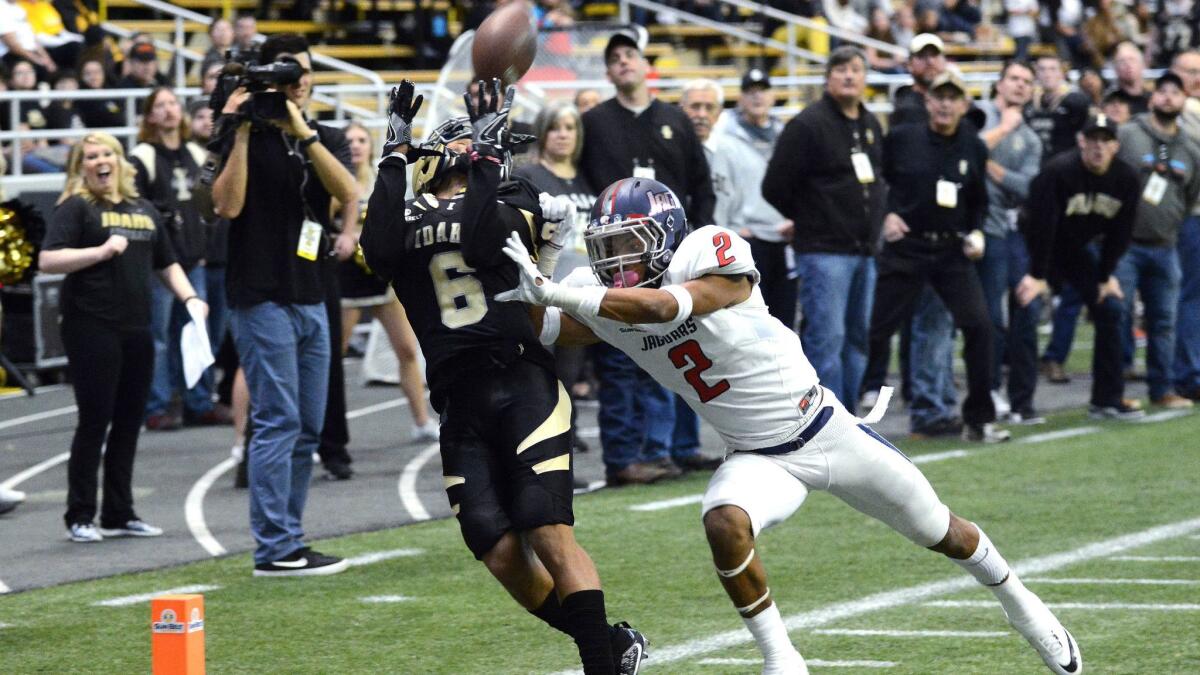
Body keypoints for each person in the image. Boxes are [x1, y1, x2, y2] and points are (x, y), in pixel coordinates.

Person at [497, 176, 1083, 675]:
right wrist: (545, 262)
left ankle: (1021, 603)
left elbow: (665, 306)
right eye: (607, 247)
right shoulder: (597, 297)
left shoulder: (706, 251)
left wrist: (559, 293)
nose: (617, 261)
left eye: (630, 243)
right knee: (724, 523)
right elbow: (539, 327)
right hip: (755, 455)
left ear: (666, 235)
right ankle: (782, 658)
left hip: (826, 428)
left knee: (943, 532)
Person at [359, 79, 648, 675]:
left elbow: (486, 235)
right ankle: (611, 644)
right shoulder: (405, 209)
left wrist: (488, 148)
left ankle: (602, 664)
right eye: (467, 141)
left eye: (484, 144)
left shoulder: (512, 196)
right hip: (456, 395)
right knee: (494, 547)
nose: (479, 150)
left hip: (520, 380)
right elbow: (375, 245)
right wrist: (394, 144)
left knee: (546, 530)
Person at [209, 33, 358, 576]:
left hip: (311, 293)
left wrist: (304, 134)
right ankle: (273, 547)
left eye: (305, 71)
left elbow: (349, 193)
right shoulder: (235, 129)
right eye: (287, 72)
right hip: (259, 293)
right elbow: (227, 204)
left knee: (309, 426)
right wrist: (245, 130)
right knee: (278, 419)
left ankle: (289, 537)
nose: (298, 81)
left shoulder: (325, 134)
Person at [40, 132, 208, 543]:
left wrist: (191, 298)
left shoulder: (144, 209)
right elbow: (47, 260)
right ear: (81, 167)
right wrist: (98, 252)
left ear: (120, 161)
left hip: (137, 328)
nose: (100, 162)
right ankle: (80, 515)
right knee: (95, 421)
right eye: (90, 156)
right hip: (91, 328)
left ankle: (119, 512)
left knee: (130, 422)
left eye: (106, 155)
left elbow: (166, 263)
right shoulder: (77, 207)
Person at [578, 27, 717, 485]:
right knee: (622, 358)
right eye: (614, 56)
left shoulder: (675, 120)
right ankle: (629, 455)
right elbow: (582, 184)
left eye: (629, 54)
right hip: (618, 262)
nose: (622, 62)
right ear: (608, 70)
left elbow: (701, 183)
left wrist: (698, 237)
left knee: (679, 347)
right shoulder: (594, 122)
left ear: (644, 64)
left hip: (673, 257)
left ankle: (678, 446)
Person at [867, 70, 1009, 442]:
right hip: (907, 247)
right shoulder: (901, 138)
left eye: (953, 97)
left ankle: (978, 419)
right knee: (874, 329)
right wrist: (886, 215)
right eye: (939, 96)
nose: (945, 103)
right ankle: (846, 413)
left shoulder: (974, 145)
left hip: (950, 249)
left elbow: (978, 201)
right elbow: (876, 182)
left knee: (979, 326)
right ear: (928, 101)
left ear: (965, 104)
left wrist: (976, 232)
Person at [764, 46, 884, 412]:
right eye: (841, 69)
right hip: (823, 252)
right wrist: (812, 218)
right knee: (827, 341)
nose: (849, 75)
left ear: (865, 78)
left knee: (858, 340)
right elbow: (774, 186)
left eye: (856, 69)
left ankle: (848, 418)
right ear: (827, 77)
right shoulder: (807, 125)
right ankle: (826, 421)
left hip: (864, 251)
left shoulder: (870, 124)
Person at [1016, 114, 1144, 419]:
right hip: (1033, 245)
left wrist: (1104, 276)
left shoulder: (1126, 179)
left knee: (1111, 307)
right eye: (1093, 140)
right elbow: (1042, 226)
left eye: (1106, 140)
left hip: (1075, 250)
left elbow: (1120, 234)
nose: (1099, 147)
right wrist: (1037, 276)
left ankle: (1107, 400)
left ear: (1115, 145)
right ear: (1081, 142)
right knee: (1026, 305)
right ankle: (1020, 405)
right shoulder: (1058, 172)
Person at [332, 121, 438, 466]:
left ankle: (421, 421)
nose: (357, 146)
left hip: (382, 280)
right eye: (351, 141)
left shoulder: (382, 180)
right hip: (347, 282)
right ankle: (328, 431)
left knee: (408, 350)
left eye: (363, 139)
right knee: (334, 359)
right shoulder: (337, 181)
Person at [130, 87, 223, 430]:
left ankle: (199, 402)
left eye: (172, 104)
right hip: (159, 264)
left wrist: (201, 249)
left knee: (196, 330)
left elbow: (209, 207)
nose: (168, 110)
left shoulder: (196, 155)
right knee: (158, 337)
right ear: (150, 115)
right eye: (160, 106)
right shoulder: (142, 156)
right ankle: (156, 406)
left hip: (193, 259)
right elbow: (135, 206)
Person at [514, 102, 597, 457]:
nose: (563, 134)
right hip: (545, 286)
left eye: (570, 127)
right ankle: (544, 436)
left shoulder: (587, 175)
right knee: (543, 368)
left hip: (581, 288)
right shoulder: (530, 174)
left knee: (571, 368)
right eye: (555, 127)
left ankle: (568, 429)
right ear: (543, 133)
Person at [1114, 72, 1200, 409]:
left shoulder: (1191, 148)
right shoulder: (1128, 134)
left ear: (1184, 101)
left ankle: (1162, 388)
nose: (1167, 98)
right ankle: (1115, 388)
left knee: (1164, 319)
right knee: (1118, 315)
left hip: (1166, 244)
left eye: (1174, 93)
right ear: (1151, 99)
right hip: (1125, 243)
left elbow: (1191, 193)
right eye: (1161, 91)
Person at [976, 60, 1044, 423]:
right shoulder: (978, 114)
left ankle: (1015, 397)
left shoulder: (1031, 139)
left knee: (1014, 308)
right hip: (968, 224)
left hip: (1004, 228)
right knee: (975, 314)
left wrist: (988, 165)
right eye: (1014, 79)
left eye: (1026, 82)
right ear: (999, 84)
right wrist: (1001, 130)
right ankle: (982, 390)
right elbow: (964, 151)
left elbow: (1028, 187)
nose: (1020, 85)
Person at [719, 68, 795, 331]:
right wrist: (732, 227)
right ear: (740, 99)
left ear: (773, 96)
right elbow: (722, 187)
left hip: (783, 237)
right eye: (750, 92)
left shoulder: (786, 135)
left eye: (762, 90)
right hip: (748, 237)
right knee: (749, 319)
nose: (757, 97)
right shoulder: (726, 139)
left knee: (784, 318)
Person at [1173, 50, 1200, 400]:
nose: (1197, 77)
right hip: (1191, 213)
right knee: (1191, 296)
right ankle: (1188, 372)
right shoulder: (1180, 112)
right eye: (1191, 71)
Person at [1027, 54, 1092, 164]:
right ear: (1036, 74)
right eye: (1042, 69)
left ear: (1062, 73)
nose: (1047, 74)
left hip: (1066, 165)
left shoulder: (1077, 102)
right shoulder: (1028, 103)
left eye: (1052, 69)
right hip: (1037, 164)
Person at [890, 33, 946, 128]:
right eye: (922, 56)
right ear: (909, 65)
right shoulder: (905, 107)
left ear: (944, 61)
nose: (930, 62)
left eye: (935, 55)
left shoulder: (957, 98)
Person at [1111, 41, 1150, 115]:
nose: (1128, 65)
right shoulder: (1110, 102)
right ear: (1116, 69)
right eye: (1122, 61)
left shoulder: (1153, 100)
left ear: (1143, 65)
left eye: (1132, 60)